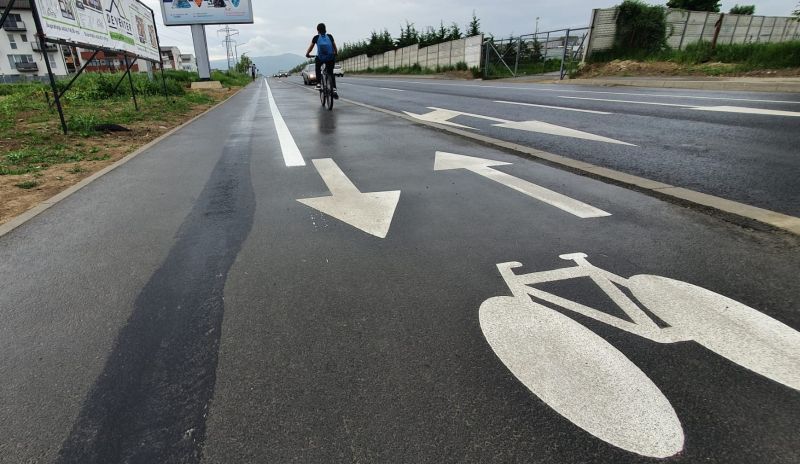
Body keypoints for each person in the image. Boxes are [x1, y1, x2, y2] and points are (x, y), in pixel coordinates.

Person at [305, 23, 338, 99]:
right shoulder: (330, 36)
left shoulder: (316, 38)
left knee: (317, 68)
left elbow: (311, 47)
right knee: (330, 72)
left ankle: (318, 83)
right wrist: (335, 53)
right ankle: (334, 89)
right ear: (325, 29)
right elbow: (334, 46)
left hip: (321, 57)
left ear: (318, 30)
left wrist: (307, 54)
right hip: (330, 57)